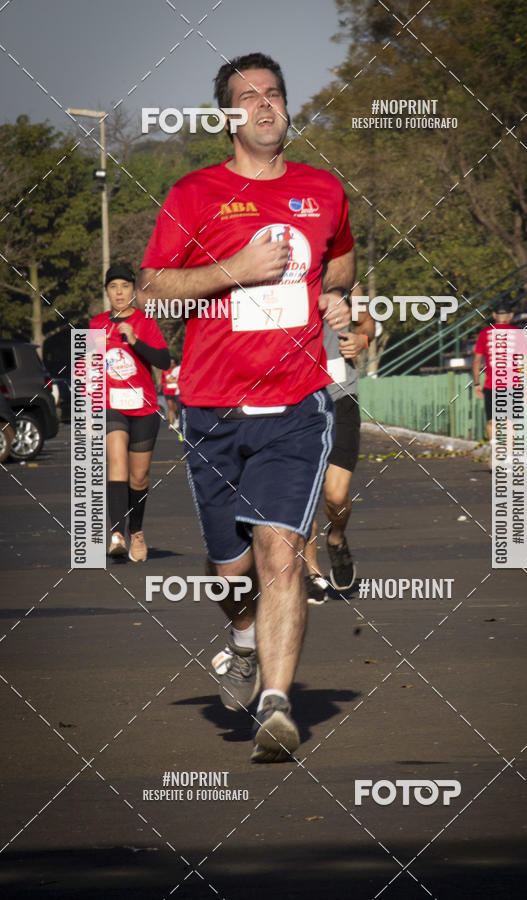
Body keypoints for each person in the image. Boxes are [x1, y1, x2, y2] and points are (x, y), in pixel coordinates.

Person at [139, 52, 355, 762]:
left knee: (281, 554)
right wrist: (233, 271)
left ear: (288, 107)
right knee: (231, 573)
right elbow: (151, 294)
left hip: (296, 406)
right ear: (228, 115)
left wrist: (339, 300)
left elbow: (342, 261)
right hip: (210, 409)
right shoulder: (195, 194)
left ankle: (276, 705)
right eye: (247, 97)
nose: (263, 105)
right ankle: (239, 633)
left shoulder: (323, 190)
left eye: (274, 94)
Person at [90, 264, 170, 561]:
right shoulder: (96, 324)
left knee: (139, 477)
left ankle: (136, 530)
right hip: (112, 406)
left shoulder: (145, 322)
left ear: (133, 291)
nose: (119, 292)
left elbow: (164, 360)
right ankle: (117, 534)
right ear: (107, 292)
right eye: (113, 287)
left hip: (143, 407)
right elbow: (88, 369)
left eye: (125, 286)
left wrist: (135, 340)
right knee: (117, 465)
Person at [304, 292, 374, 604]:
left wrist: (363, 341)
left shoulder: (345, 288)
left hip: (341, 400)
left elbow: (367, 323)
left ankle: (336, 537)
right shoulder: (277, 277)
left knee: (335, 494)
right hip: (297, 403)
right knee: (304, 493)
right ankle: (312, 572)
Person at [472, 302, 527, 465]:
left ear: (493, 315)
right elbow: (525, 362)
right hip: (508, 384)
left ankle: (499, 454)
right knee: (509, 422)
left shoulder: (486, 333)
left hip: (495, 385)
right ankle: (505, 456)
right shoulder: (518, 334)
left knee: (493, 422)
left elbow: (476, 361)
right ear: (511, 315)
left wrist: (476, 383)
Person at [160, 357, 180, 428]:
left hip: (175, 391)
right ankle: (171, 423)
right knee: (170, 407)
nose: (171, 364)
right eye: (170, 363)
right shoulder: (165, 370)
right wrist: (160, 387)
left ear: (175, 363)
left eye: (173, 363)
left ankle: (177, 419)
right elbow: (162, 380)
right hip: (167, 391)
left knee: (176, 408)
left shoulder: (177, 370)